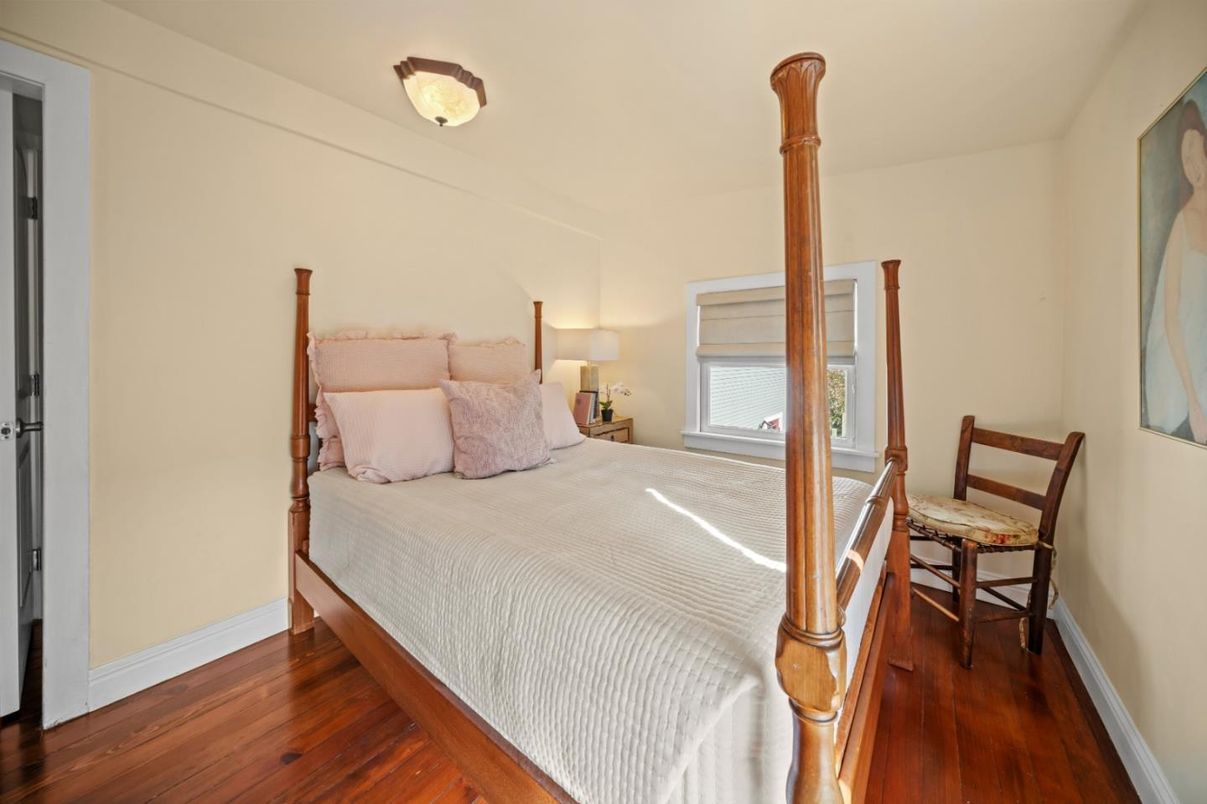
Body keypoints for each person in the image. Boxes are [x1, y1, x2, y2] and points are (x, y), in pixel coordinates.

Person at [1145, 99, 1207, 444]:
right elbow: (1170, 319)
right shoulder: (1181, 225)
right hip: (1179, 365)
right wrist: (1194, 401)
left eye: (1198, 154)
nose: (1194, 167)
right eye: (1186, 160)